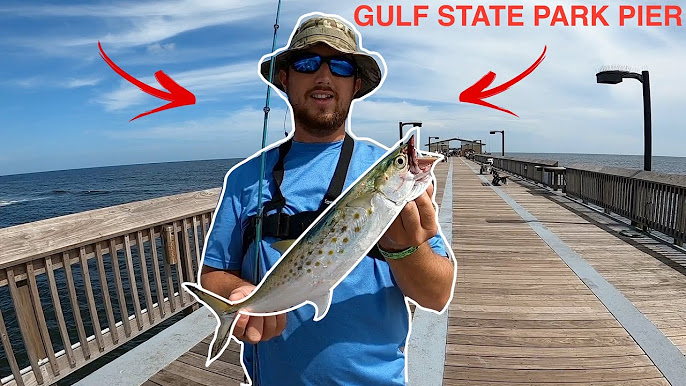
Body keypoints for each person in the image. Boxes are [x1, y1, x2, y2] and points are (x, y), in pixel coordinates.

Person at [199, 14, 455, 385]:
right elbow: (214, 273)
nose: (323, 76)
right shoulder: (244, 179)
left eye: (340, 65)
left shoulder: (381, 170)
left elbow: (436, 295)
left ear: (354, 84)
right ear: (285, 80)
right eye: (307, 63)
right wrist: (236, 293)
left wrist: (406, 248)